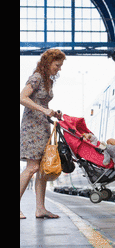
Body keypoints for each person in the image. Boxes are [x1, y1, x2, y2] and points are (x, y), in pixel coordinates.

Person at [20, 49, 66, 219]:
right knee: (32, 168)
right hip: (32, 128)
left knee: (42, 170)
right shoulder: (37, 77)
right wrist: (43, 110)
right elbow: (22, 97)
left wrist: (52, 113)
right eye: (57, 65)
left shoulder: (48, 81)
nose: (59, 69)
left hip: (42, 127)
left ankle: (40, 209)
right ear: (48, 62)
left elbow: (42, 103)